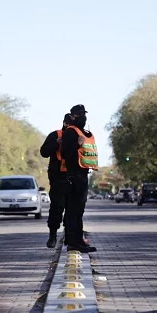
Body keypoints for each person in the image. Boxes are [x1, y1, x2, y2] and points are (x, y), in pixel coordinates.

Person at [61, 104, 98, 253]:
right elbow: (65, 153)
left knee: (79, 210)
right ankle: (73, 242)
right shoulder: (71, 132)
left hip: (83, 175)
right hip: (73, 176)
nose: (83, 117)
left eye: (84, 114)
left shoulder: (86, 133)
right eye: (79, 114)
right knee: (73, 210)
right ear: (73, 117)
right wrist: (78, 144)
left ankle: (79, 241)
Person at [40, 114, 72, 248]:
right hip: (58, 179)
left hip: (75, 179)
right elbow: (44, 152)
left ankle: (71, 238)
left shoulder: (83, 136)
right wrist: (56, 143)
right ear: (65, 123)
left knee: (73, 211)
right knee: (56, 209)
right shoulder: (55, 135)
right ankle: (52, 236)